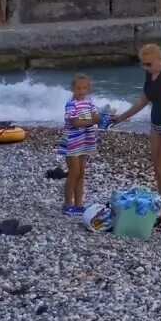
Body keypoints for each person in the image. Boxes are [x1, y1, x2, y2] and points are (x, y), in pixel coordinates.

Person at [112, 44, 161, 232]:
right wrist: (121, 118)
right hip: (156, 126)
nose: (145, 67)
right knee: (157, 171)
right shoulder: (149, 75)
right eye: (142, 64)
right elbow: (143, 100)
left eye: (148, 63)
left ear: (158, 59)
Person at [59, 73, 101, 217]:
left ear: (88, 89)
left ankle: (78, 204)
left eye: (84, 88)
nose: (81, 91)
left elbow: (97, 116)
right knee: (74, 172)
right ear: (73, 89)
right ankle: (67, 204)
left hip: (85, 139)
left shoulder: (89, 102)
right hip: (72, 141)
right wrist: (91, 121)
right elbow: (74, 123)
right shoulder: (71, 104)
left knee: (81, 173)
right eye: (78, 88)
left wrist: (99, 118)